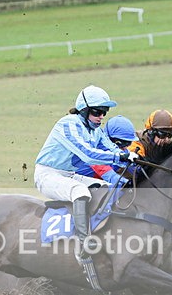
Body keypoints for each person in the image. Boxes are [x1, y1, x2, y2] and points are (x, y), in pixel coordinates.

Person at [34, 85, 132, 259]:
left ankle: (102, 230)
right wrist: (120, 156)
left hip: (69, 175)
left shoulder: (96, 131)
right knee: (80, 191)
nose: (101, 117)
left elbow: (110, 148)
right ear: (84, 110)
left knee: (108, 187)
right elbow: (88, 155)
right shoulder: (68, 124)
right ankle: (83, 242)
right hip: (47, 175)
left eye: (104, 112)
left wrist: (135, 159)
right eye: (97, 112)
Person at [80, 114, 140, 187]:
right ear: (108, 138)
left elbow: (130, 168)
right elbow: (110, 176)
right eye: (121, 143)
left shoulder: (122, 152)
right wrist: (125, 182)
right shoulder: (97, 153)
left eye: (128, 143)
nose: (125, 148)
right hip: (81, 184)